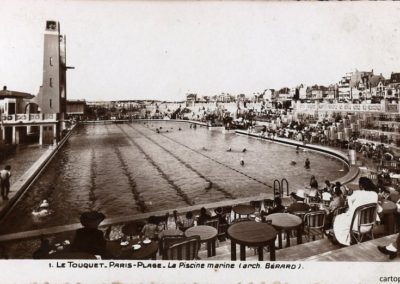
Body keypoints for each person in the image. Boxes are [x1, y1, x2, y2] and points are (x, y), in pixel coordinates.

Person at [332, 177, 378, 246]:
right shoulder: (375, 194)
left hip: (358, 227)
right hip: (370, 225)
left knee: (337, 218)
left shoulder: (359, 193)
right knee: (344, 218)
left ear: (361, 186)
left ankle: (341, 240)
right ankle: (345, 238)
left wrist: (350, 207)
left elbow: (351, 204)